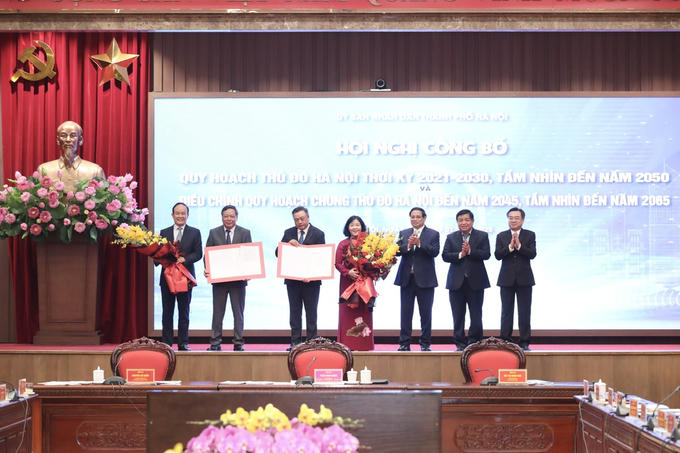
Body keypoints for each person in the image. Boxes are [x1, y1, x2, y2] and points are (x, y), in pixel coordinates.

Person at [276, 206, 326, 351]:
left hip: (311, 282)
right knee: (294, 312)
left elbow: (322, 257)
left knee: (311, 313)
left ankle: (312, 342)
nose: (299, 222)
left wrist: (312, 275)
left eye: (302, 218)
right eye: (296, 219)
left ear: (308, 217)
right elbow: (278, 252)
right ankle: (295, 342)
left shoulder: (318, 234)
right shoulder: (289, 233)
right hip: (293, 281)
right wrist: (287, 244)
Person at [442, 209, 491, 351]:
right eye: (460, 220)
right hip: (456, 282)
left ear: (472, 221)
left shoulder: (482, 236)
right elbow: (445, 256)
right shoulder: (451, 237)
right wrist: (460, 254)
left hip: (476, 281)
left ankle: (475, 342)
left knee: (476, 314)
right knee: (457, 315)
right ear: (457, 222)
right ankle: (459, 343)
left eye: (466, 220)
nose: (463, 222)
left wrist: (470, 251)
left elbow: (486, 254)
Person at [204, 205, 252, 351]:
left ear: (236, 217)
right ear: (222, 217)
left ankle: (238, 342)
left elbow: (249, 256)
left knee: (238, 313)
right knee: (218, 313)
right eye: (226, 216)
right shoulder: (214, 233)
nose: (229, 219)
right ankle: (215, 342)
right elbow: (207, 255)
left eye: (232, 216)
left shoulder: (245, 233)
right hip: (219, 282)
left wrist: (250, 271)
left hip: (238, 282)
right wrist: (208, 269)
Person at [393, 207, 440, 352]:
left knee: (425, 314)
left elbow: (435, 252)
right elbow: (397, 251)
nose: (415, 219)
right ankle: (404, 343)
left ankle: (425, 343)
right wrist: (408, 245)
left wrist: (419, 244)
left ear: (424, 218)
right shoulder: (404, 233)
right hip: (407, 279)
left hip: (426, 280)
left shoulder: (433, 234)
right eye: (412, 217)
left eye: (418, 217)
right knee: (405, 313)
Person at [158, 202, 202, 351]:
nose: (180, 216)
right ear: (172, 215)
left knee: (184, 312)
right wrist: (161, 259)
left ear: (187, 215)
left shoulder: (195, 232)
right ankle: (167, 343)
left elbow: (198, 253)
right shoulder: (164, 232)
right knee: (167, 312)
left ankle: (183, 343)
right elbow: (158, 253)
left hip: (185, 279)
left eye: (183, 213)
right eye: (177, 213)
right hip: (167, 278)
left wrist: (185, 259)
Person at [495, 207, 537, 351]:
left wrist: (519, 246)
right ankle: (505, 340)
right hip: (506, 279)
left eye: (516, 218)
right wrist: (510, 247)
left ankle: (524, 341)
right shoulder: (501, 235)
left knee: (524, 311)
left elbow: (532, 254)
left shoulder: (530, 235)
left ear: (522, 220)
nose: (513, 220)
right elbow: (497, 255)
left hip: (525, 279)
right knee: (506, 311)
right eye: (511, 218)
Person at [335, 215, 374, 351]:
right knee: (347, 312)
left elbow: (375, 261)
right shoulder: (343, 244)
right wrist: (348, 272)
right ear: (348, 228)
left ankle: (364, 346)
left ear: (362, 227)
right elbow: (337, 263)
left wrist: (371, 269)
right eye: (352, 225)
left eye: (357, 225)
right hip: (348, 284)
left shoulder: (369, 243)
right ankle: (347, 345)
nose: (355, 227)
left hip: (364, 283)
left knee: (364, 313)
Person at [38, 120, 104, 192]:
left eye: (73, 136)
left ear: (80, 140)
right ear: (58, 140)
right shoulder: (44, 170)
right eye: (63, 136)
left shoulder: (95, 171)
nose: (68, 140)